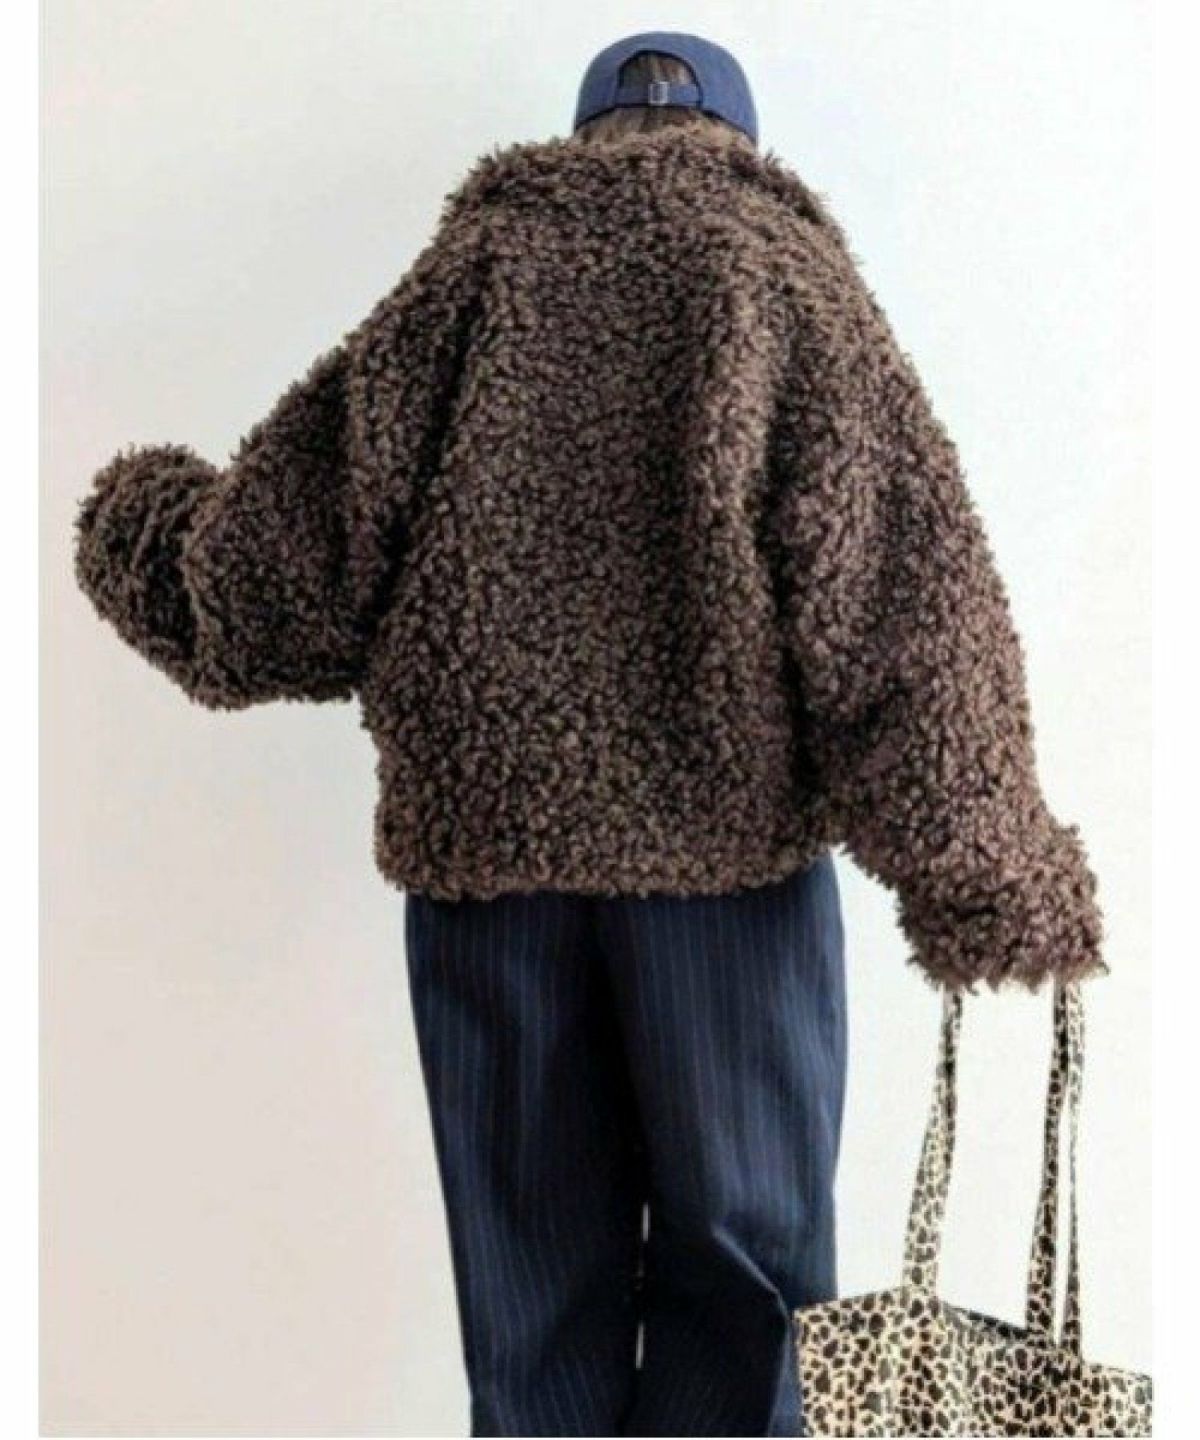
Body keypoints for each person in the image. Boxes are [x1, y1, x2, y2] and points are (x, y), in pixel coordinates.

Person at [72, 29, 1105, 1439]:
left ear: (576, 142)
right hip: (723, 875)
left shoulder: (469, 280)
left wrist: (143, 523)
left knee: (531, 1310)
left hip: (490, 873)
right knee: (748, 1295)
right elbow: (901, 602)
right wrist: (987, 871)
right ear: (742, 140)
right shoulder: (784, 277)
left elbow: (269, 585)